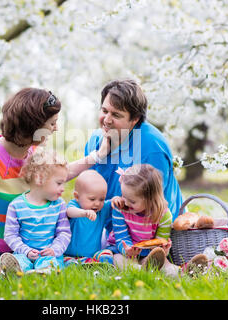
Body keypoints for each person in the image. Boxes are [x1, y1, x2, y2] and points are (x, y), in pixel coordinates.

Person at [0, 88, 110, 269]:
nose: (57, 129)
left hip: (41, 242)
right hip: (11, 247)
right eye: (52, 123)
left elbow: (58, 176)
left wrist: (97, 156)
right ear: (33, 126)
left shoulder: (31, 149)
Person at [85, 79, 183, 221]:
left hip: (157, 228)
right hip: (115, 227)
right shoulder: (95, 141)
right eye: (104, 111)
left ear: (135, 119)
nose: (107, 120)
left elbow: (154, 205)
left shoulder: (152, 147)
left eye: (116, 115)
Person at [110, 164, 207, 276]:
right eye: (123, 196)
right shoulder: (120, 208)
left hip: (149, 253)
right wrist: (127, 250)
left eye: (132, 201)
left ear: (150, 200)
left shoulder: (164, 215)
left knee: (164, 264)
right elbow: (121, 237)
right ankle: (141, 271)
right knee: (118, 260)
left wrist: (163, 251)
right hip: (123, 251)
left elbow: (160, 240)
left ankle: (183, 273)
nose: (125, 202)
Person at [0, 148, 71, 273]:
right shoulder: (16, 206)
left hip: (48, 255)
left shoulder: (59, 205)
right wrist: (25, 251)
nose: (63, 188)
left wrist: (55, 250)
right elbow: (10, 235)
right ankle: (18, 270)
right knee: (19, 261)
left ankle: (44, 272)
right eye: (59, 183)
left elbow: (64, 233)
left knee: (50, 263)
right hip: (23, 253)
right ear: (39, 179)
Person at [63, 170, 114, 265]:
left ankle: (94, 262)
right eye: (92, 199)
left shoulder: (101, 210)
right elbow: (69, 211)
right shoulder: (75, 206)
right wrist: (84, 213)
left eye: (102, 199)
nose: (97, 203)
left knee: (107, 254)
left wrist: (117, 200)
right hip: (70, 254)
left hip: (93, 254)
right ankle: (79, 263)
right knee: (67, 262)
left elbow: (112, 203)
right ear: (77, 197)